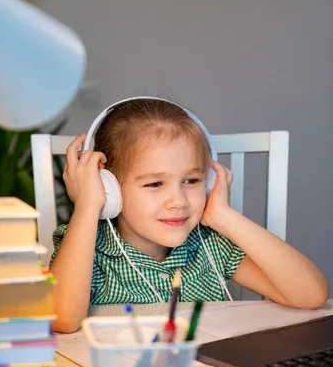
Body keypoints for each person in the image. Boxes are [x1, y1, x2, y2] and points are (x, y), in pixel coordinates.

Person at [50, 97, 329, 333]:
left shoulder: (209, 246)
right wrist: (87, 207)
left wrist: (224, 216)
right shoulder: (88, 246)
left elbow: (310, 295)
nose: (179, 201)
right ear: (109, 188)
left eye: (192, 181)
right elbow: (62, 319)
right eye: (155, 184)